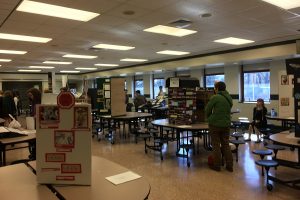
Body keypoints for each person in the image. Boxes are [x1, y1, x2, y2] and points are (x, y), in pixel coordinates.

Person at [205, 81, 233, 172]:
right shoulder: (229, 97)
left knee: (216, 145)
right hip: (226, 124)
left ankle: (217, 165)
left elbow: (207, 110)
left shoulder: (215, 97)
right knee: (226, 144)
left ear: (216, 89)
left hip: (215, 124)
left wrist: (209, 118)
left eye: (215, 88)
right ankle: (229, 165)